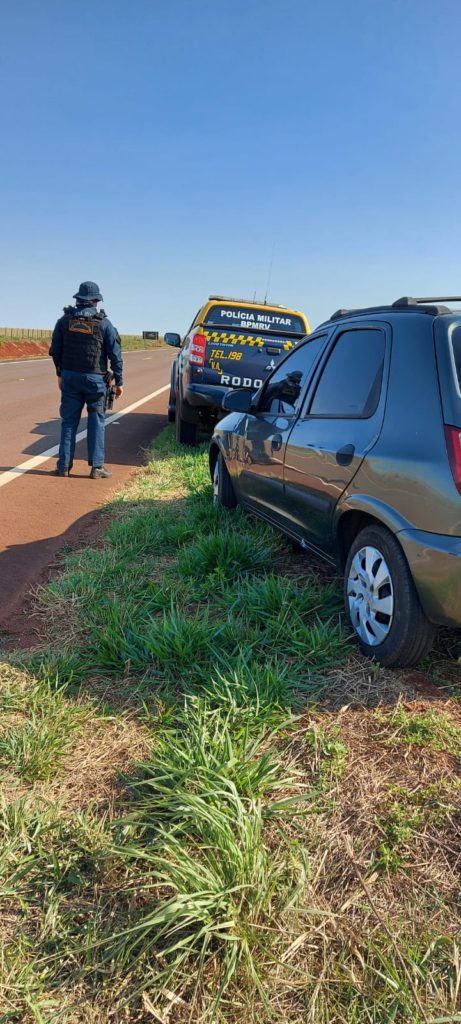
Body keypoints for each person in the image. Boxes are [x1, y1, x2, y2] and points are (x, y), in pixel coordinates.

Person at [49, 281, 124, 478]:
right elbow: (116, 356)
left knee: (68, 422)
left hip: (70, 378)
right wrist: (119, 382)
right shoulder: (105, 324)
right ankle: (97, 468)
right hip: (95, 381)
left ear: (78, 299)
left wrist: (60, 374)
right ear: (96, 301)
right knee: (96, 421)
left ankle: (63, 466)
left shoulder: (64, 321)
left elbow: (55, 351)